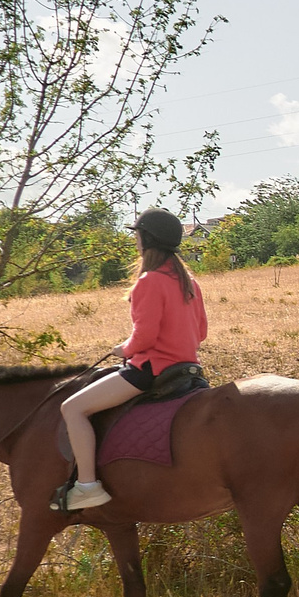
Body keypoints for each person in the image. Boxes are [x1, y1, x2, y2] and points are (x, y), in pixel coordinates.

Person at [59, 209, 208, 511]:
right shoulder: (190, 282)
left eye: (137, 235)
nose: (135, 241)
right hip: (188, 369)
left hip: (151, 370)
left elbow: (145, 338)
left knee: (72, 408)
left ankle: (87, 485)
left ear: (147, 239)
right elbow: (201, 332)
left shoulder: (149, 281)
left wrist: (123, 349)